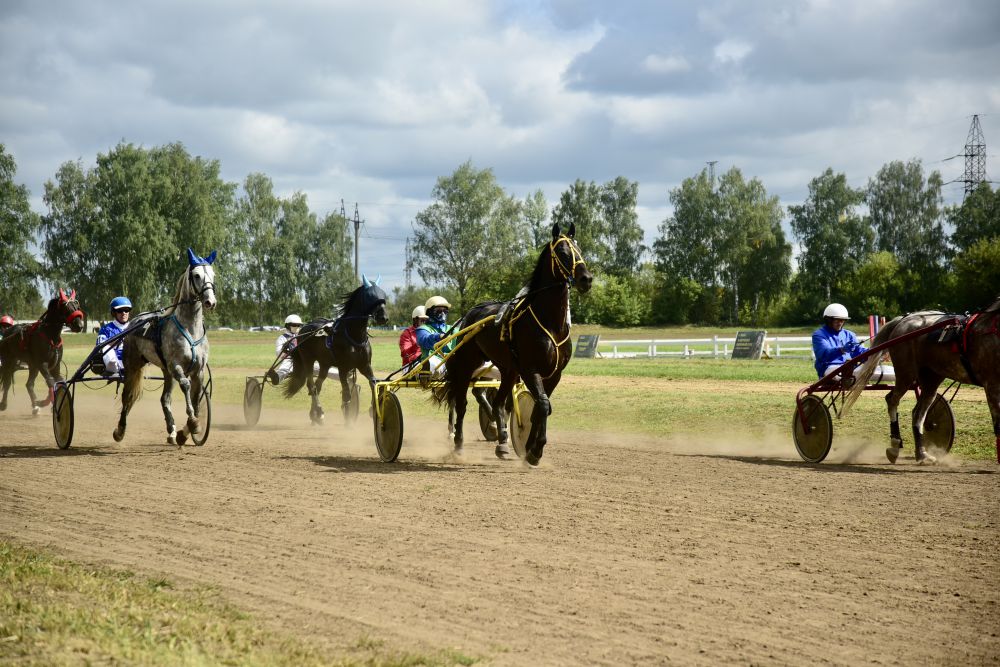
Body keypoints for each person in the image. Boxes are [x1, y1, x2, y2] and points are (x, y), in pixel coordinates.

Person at [812, 303, 894, 384]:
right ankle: (850, 377)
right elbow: (823, 354)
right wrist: (841, 350)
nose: (840, 323)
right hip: (830, 369)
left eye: (843, 320)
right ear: (828, 320)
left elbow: (859, 352)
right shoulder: (819, 335)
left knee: (892, 371)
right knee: (852, 372)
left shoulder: (849, 334)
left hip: (851, 368)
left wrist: (874, 353)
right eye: (837, 320)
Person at [416, 296, 454, 375]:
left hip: (452, 362)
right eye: (439, 311)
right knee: (432, 362)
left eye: (445, 311)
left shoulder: (452, 328)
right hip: (433, 362)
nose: (443, 313)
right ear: (429, 312)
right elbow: (424, 341)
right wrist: (438, 336)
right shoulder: (423, 329)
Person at [95, 297, 132, 375]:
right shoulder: (106, 328)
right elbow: (100, 346)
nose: (124, 313)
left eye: (126, 310)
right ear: (114, 313)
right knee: (105, 348)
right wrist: (119, 339)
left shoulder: (135, 326)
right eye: (120, 311)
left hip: (132, 361)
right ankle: (114, 371)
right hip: (113, 362)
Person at [267, 314, 302, 385]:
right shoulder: (282, 338)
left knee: (321, 367)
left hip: (302, 360)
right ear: (288, 326)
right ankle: (276, 378)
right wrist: (285, 349)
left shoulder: (301, 336)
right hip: (289, 359)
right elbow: (278, 353)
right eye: (294, 325)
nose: (297, 327)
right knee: (285, 368)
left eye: (298, 325)